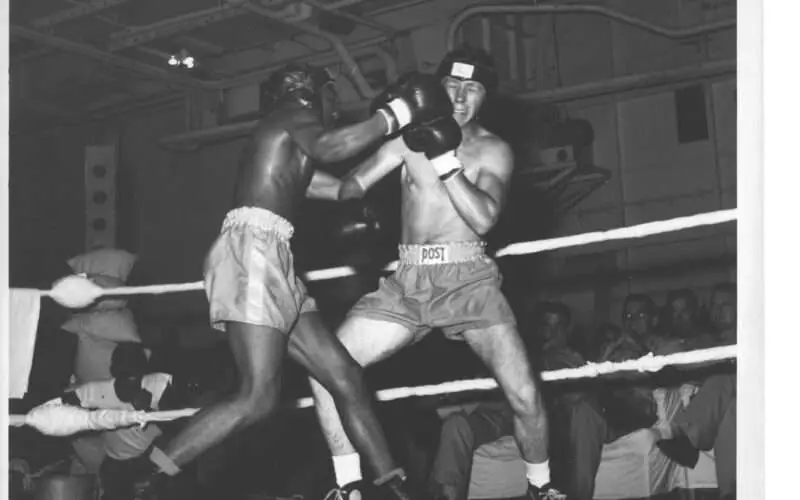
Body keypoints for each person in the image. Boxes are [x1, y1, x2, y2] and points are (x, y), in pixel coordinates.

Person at [131, 63, 452, 500]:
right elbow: (334, 146)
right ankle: (145, 478)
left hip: (276, 259)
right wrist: (395, 113)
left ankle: (394, 488)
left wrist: (400, 146)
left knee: (345, 377)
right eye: (331, 96)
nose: (334, 107)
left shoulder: (290, 147)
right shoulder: (291, 115)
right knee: (257, 396)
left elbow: (342, 188)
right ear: (309, 92)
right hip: (253, 253)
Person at [310, 46, 568, 500]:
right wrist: (278, 180)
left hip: (467, 278)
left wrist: (446, 159)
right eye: (452, 84)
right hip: (407, 282)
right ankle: (347, 487)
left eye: (473, 88)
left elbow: (484, 218)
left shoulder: (493, 150)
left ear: (487, 96)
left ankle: (541, 489)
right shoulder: (406, 140)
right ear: (436, 87)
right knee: (325, 366)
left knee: (525, 395)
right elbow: (350, 186)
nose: (461, 95)